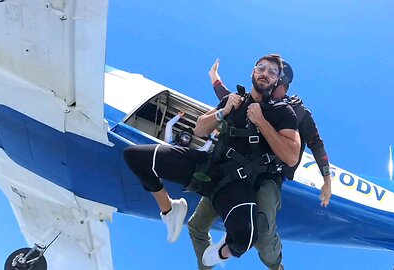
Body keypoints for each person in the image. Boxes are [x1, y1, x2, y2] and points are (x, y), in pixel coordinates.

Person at [123, 54, 300, 264]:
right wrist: (224, 111)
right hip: (208, 167)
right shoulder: (233, 99)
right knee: (135, 156)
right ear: (253, 71)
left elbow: (291, 157)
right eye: (261, 68)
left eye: (272, 72)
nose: (265, 74)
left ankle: (218, 254)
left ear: (277, 80)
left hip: (237, 182)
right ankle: (170, 210)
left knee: (245, 238)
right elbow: (199, 129)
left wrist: (261, 120)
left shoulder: (283, 112)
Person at [188, 59, 332, 270]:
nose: (269, 82)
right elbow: (226, 96)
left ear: (281, 83)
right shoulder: (253, 100)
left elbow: (316, 145)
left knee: (263, 234)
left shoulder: (296, 112)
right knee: (196, 225)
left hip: (268, 175)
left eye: (275, 78)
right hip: (233, 170)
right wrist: (214, 77)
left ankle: (275, 266)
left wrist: (327, 181)